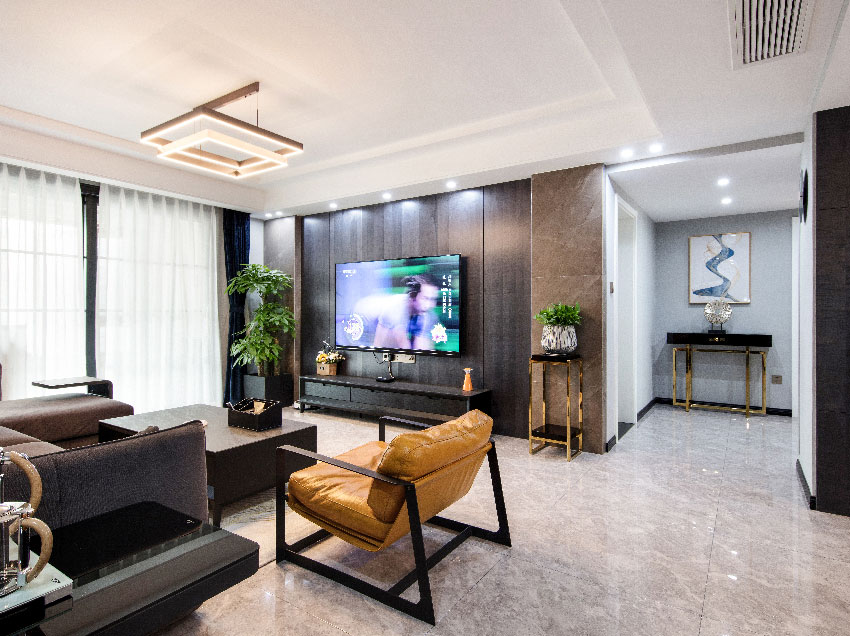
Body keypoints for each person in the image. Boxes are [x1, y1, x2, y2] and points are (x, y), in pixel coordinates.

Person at [372, 274, 441, 350]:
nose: (430, 305)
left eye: (433, 299)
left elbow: (420, 346)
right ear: (412, 295)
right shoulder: (394, 309)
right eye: (425, 298)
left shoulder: (427, 314)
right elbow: (377, 345)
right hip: (369, 320)